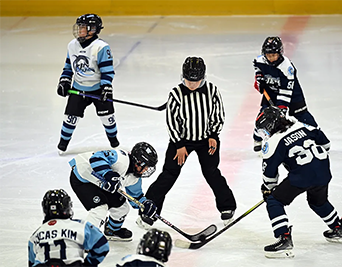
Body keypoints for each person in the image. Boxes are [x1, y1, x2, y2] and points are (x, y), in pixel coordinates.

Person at [143, 56, 237, 228]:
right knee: (169, 174)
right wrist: (179, 144)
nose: (192, 84)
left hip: (206, 139)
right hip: (182, 140)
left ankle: (227, 207)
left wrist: (214, 136)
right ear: (183, 76)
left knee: (211, 172)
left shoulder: (212, 90)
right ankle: (149, 209)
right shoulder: (176, 93)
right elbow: (172, 120)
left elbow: (218, 114)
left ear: (203, 77)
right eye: (188, 80)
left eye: (196, 81)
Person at [255, 106, 342, 258]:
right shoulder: (302, 125)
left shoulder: (273, 142)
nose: (263, 135)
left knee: (274, 201)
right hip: (323, 170)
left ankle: (283, 238)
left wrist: (268, 190)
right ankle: (338, 228)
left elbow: (269, 174)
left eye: (263, 131)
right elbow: (326, 145)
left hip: (303, 175)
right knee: (318, 202)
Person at [69, 142, 159, 241]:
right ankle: (85, 240)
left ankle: (112, 230)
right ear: (137, 161)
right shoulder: (120, 159)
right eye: (145, 166)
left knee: (122, 208)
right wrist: (108, 174)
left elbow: (136, 197)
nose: (146, 170)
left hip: (104, 185)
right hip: (83, 178)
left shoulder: (135, 179)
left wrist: (145, 204)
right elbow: (96, 158)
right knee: (100, 209)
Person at [56, 13, 119, 155]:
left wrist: (106, 87)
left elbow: (107, 70)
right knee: (70, 118)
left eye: (84, 27)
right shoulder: (72, 45)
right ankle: (63, 144)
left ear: (93, 30)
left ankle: (114, 141)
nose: (80, 30)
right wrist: (64, 81)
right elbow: (68, 67)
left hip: (98, 90)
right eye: (79, 27)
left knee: (108, 118)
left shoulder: (101, 47)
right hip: (78, 89)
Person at [252, 36, 318, 152]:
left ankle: (318, 136)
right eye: (268, 55)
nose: (271, 58)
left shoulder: (287, 68)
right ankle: (257, 138)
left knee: (302, 115)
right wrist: (259, 80)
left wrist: (281, 108)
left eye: (273, 55)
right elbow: (258, 69)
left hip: (293, 95)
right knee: (264, 116)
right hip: (271, 93)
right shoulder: (260, 60)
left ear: (280, 53)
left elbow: (285, 91)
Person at [28, 189, 109, 267]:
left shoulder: (35, 236)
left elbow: (32, 262)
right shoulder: (81, 226)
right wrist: (89, 264)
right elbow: (103, 246)